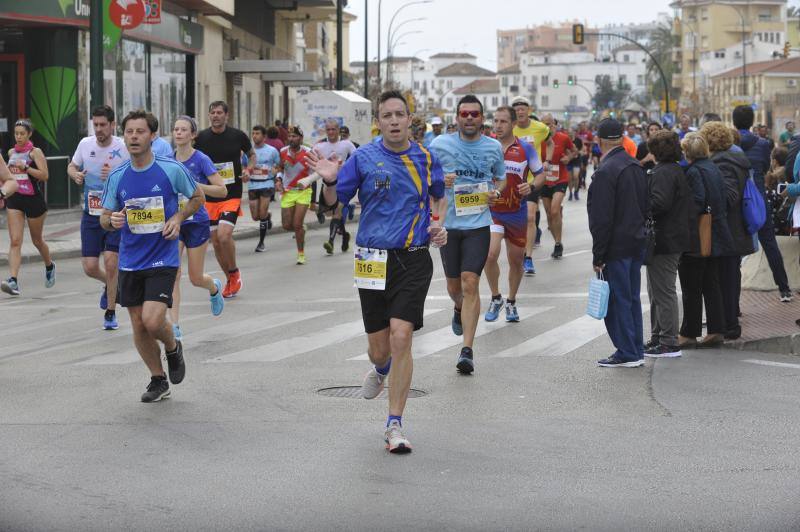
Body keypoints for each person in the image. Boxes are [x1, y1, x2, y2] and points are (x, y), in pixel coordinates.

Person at [307, 90, 447, 453]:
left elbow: (438, 196)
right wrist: (328, 180)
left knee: (402, 337)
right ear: (379, 122)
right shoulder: (364, 158)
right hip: (372, 259)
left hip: (414, 257)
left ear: (409, 119)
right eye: (387, 115)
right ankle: (381, 370)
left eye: (400, 114)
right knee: (379, 348)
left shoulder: (427, 158)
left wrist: (439, 224)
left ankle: (394, 423)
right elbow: (334, 202)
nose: (395, 121)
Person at [100, 109, 205, 403]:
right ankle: (158, 379)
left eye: (140, 132)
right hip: (130, 259)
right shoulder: (119, 176)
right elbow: (105, 218)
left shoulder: (171, 169)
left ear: (153, 136)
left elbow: (198, 198)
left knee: (152, 318)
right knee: (137, 324)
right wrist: (113, 221)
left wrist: (179, 217)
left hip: (163, 258)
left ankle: (172, 346)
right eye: (129, 132)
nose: (134, 136)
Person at [430, 94, 506, 375]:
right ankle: (459, 308)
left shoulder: (492, 147)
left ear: (482, 118)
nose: (470, 118)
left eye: (475, 114)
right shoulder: (439, 145)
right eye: (465, 114)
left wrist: (496, 192)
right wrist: (440, 180)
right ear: (457, 117)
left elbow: (500, 177)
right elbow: (425, 177)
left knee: (470, 281)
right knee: (454, 288)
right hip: (449, 227)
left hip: (478, 225)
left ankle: (467, 350)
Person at [587, 118, 648, 368]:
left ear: (600, 140)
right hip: (636, 242)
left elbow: (601, 218)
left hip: (616, 245)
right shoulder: (634, 165)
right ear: (622, 138)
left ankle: (627, 351)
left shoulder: (605, 171)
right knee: (632, 298)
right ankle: (635, 347)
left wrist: (598, 255)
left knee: (619, 299)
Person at [68, 105, 129, 330]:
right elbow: (72, 166)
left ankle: (111, 312)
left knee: (112, 262)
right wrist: (75, 174)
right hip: (91, 213)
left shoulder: (122, 147)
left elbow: (134, 172)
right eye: (96, 125)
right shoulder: (85, 144)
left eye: (103, 125)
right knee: (90, 266)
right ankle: (112, 285)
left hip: (115, 213)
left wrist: (114, 175)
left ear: (113, 125)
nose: (99, 129)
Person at [168, 115, 226, 341]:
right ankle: (174, 325)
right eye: (175, 129)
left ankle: (213, 286)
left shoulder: (201, 159)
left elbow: (221, 190)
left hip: (197, 222)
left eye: (183, 130)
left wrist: (194, 186)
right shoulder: (168, 160)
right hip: (176, 220)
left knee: (194, 277)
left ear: (193, 135)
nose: (179, 133)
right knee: (173, 272)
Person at [484, 106, 541, 322]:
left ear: (513, 123)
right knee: (489, 254)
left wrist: (531, 187)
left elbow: (540, 175)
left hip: (516, 212)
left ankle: (511, 301)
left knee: (516, 260)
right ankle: (496, 296)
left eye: (503, 121)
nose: (498, 126)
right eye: (495, 121)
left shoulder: (525, 148)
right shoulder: (486, 147)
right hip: (493, 212)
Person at [194, 101, 255, 298]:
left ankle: (235, 271)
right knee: (216, 241)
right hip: (209, 197)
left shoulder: (237, 136)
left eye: (220, 113)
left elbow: (251, 155)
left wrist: (248, 169)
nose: (216, 116)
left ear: (226, 116)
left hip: (231, 194)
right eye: (213, 113)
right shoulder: (201, 138)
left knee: (223, 235)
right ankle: (230, 277)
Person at [678, 132, 734, 349]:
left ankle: (689, 333)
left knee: (692, 285)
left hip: (700, 235)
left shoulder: (693, 171)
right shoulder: (713, 168)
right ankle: (716, 330)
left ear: (688, 152)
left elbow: (698, 201)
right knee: (711, 284)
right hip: (718, 232)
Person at [702, 121, 755, 341]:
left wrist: (709, 197)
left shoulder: (723, 162)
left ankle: (730, 325)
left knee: (726, 279)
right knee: (729, 278)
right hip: (732, 230)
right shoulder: (732, 159)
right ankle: (727, 322)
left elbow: (730, 196)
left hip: (728, 230)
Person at [732, 106, 792, 302]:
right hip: (758, 198)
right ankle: (784, 289)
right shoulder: (763, 143)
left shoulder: (730, 144)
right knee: (769, 243)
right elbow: (766, 167)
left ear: (734, 122)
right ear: (752, 122)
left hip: (737, 199)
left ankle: (735, 302)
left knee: (734, 249)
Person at [643, 131, 691, 358]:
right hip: (670, 237)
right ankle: (658, 337)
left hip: (665, 239)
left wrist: (640, 202)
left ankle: (668, 341)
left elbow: (659, 203)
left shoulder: (663, 172)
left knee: (663, 291)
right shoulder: (673, 169)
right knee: (656, 290)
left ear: (656, 150)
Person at [1, 119, 54, 297]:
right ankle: (13, 281)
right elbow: (8, 175)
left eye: (22, 134)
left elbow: (45, 175)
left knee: (37, 240)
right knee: (15, 241)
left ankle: (49, 265)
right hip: (15, 199)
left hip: (33, 200)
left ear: (29, 134)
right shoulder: (10, 152)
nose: (19, 137)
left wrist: (26, 168)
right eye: (16, 134)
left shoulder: (34, 152)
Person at [511, 96, 550, 275]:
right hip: (513, 181)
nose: (520, 111)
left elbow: (550, 142)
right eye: (516, 108)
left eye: (522, 108)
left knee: (529, 217)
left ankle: (528, 258)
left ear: (529, 110)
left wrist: (547, 160)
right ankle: (518, 251)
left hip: (533, 180)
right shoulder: (510, 129)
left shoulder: (540, 128)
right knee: (515, 220)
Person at [315, 118, 356, 254]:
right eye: (328, 130)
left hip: (343, 184)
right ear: (325, 131)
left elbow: (358, 159)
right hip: (328, 184)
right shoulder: (320, 146)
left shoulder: (346, 144)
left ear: (338, 130)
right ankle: (345, 236)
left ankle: (330, 242)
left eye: (333, 129)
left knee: (337, 212)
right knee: (330, 213)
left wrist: (346, 167)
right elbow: (311, 163)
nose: (331, 132)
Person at [539, 114, 577, 259]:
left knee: (555, 210)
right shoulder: (539, 139)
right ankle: (557, 243)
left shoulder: (563, 138)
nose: (547, 127)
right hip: (544, 180)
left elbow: (574, 151)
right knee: (549, 213)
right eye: (544, 124)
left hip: (560, 178)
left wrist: (568, 157)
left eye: (550, 124)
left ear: (554, 124)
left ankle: (558, 243)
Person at [277, 126, 314, 265]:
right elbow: (280, 169)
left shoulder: (308, 152)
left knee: (297, 224)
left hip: (303, 191)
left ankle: (301, 254)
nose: (291, 139)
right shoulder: (282, 152)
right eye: (290, 136)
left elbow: (314, 172)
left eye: (295, 136)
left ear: (300, 138)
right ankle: (301, 230)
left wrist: (307, 183)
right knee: (287, 225)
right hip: (287, 191)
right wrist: (278, 180)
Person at [249, 125, 281, 253]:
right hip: (252, 184)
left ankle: (261, 243)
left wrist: (276, 171)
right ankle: (267, 216)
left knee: (261, 214)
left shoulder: (272, 151)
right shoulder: (249, 151)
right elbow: (244, 166)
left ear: (264, 136)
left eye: (257, 133)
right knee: (255, 216)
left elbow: (279, 165)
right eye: (253, 133)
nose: (254, 136)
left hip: (266, 184)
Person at [567, 128, 583, 201]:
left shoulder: (578, 140)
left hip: (577, 161)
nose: (570, 134)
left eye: (571, 133)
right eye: (569, 133)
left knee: (576, 177)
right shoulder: (566, 140)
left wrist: (578, 152)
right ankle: (570, 193)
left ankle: (576, 192)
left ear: (574, 133)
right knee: (569, 179)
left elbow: (582, 149)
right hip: (569, 161)